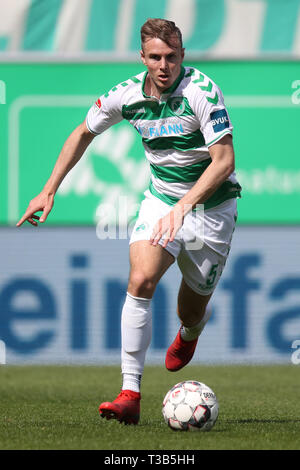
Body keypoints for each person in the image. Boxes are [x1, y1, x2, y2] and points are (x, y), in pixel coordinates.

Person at [17, 18, 241, 425]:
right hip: (161, 200)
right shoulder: (125, 95)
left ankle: (190, 333)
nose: (164, 65)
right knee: (140, 280)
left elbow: (224, 162)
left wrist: (185, 207)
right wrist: (49, 188)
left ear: (182, 57)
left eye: (171, 57)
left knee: (190, 311)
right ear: (143, 58)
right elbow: (82, 132)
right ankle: (130, 394)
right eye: (155, 57)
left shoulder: (202, 92)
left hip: (212, 208)